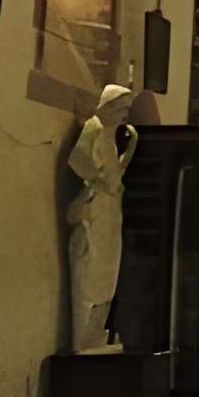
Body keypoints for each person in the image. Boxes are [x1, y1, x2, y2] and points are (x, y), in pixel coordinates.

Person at [65, 80, 138, 351]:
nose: (124, 114)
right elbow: (79, 160)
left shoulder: (111, 135)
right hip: (97, 209)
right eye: (122, 108)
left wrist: (129, 152)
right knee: (91, 271)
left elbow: (113, 175)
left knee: (108, 273)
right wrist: (98, 181)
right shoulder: (94, 127)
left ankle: (96, 333)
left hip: (110, 212)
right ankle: (82, 338)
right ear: (109, 105)